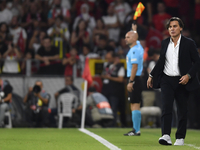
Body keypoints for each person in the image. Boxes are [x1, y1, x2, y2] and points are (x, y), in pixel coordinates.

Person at [147, 17, 200, 146]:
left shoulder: (189, 43)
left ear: (181, 28)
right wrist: (151, 75)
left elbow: (197, 61)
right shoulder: (165, 43)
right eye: (170, 27)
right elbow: (161, 61)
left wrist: (188, 75)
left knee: (182, 109)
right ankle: (165, 135)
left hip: (182, 80)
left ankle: (180, 137)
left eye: (175, 26)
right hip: (166, 79)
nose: (172, 29)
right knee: (166, 107)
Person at [124, 24, 144, 136]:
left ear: (134, 39)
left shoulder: (134, 51)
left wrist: (131, 82)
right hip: (136, 78)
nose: (126, 39)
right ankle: (135, 129)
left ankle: (136, 130)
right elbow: (138, 40)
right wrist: (134, 31)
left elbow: (135, 67)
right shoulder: (138, 47)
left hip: (134, 78)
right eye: (126, 37)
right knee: (133, 103)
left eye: (128, 37)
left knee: (135, 103)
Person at [101, 52, 125, 127]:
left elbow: (121, 79)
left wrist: (109, 78)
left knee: (113, 108)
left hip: (115, 92)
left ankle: (113, 124)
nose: (107, 60)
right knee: (105, 108)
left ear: (114, 58)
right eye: (107, 58)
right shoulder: (107, 65)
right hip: (106, 91)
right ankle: (105, 123)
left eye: (109, 58)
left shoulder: (120, 67)